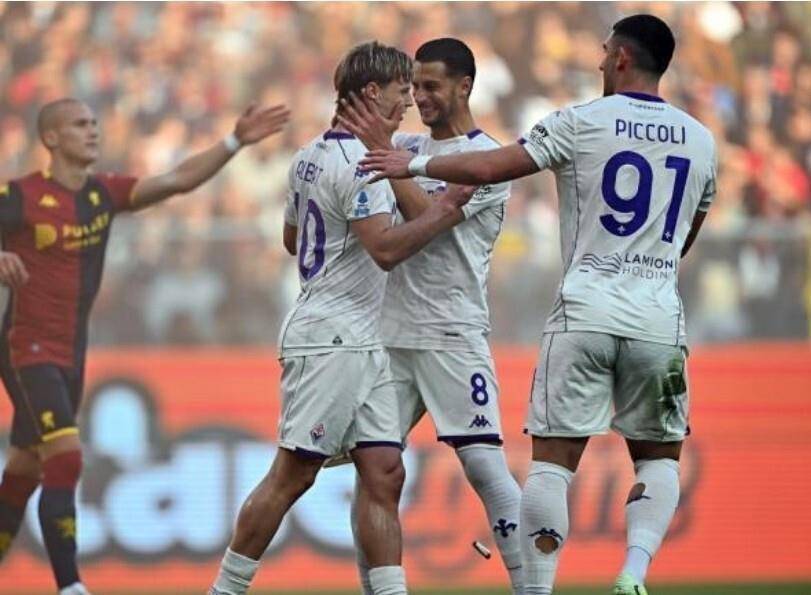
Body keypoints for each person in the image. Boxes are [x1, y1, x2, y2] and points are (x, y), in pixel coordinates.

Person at [358, 15, 717, 595]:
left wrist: (413, 164)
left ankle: (538, 589)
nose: (598, 62)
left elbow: (489, 166)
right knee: (659, 459)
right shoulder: (702, 140)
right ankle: (633, 572)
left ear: (621, 58)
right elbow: (684, 240)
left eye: (604, 52)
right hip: (657, 317)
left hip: (583, 311)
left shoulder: (580, 120)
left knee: (550, 465)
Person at [209, 41, 474, 595]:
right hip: (331, 339)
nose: (408, 102)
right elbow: (386, 250)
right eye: (401, 90)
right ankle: (224, 591)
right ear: (372, 92)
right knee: (292, 475)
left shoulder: (309, 155)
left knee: (384, 471)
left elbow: (292, 239)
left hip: (359, 337)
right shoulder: (359, 163)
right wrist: (447, 210)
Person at [0, 97, 289, 595]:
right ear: (51, 138)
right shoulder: (20, 196)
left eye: (94, 122)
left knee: (25, 469)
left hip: (71, 353)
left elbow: (176, 180)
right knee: (66, 457)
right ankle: (70, 586)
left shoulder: (100, 194)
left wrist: (234, 140)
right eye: (80, 124)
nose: (93, 130)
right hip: (26, 347)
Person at [338, 38, 522, 594]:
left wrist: (390, 159)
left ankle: (533, 588)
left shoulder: (485, 158)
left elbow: (429, 222)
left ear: (465, 86)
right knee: (374, 474)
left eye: (432, 86)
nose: (419, 96)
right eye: (415, 86)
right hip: (391, 336)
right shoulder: (405, 144)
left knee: (484, 467)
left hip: (452, 332)